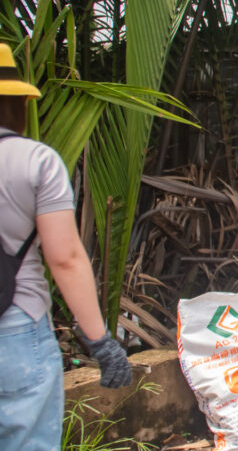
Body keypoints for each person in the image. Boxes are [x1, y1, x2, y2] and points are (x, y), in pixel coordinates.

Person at [0, 43, 131, 450]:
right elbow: (66, 257)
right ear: (18, 103)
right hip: (15, 327)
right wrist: (100, 341)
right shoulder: (33, 160)